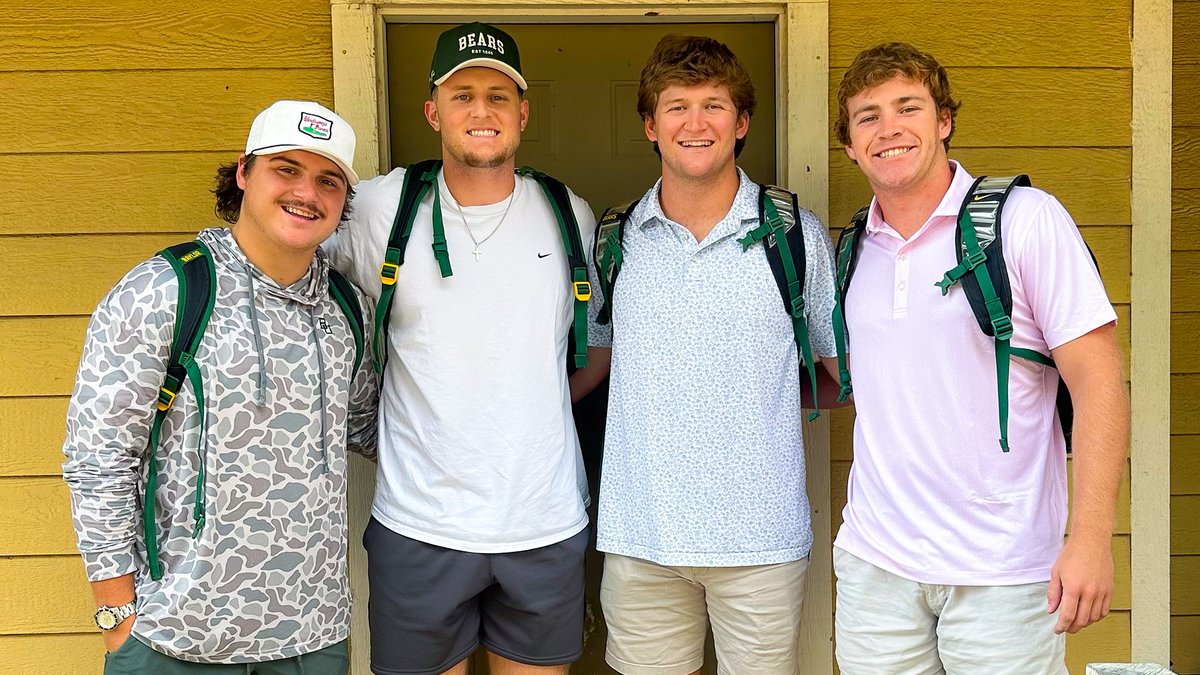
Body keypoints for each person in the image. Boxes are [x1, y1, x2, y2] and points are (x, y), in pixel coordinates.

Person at [831, 42, 1129, 674]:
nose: (889, 129)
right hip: (877, 566)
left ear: (943, 121)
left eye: (907, 107)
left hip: (1005, 571)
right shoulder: (856, 246)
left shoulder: (1027, 221)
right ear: (851, 146)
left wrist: (1091, 539)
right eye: (868, 116)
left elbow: (1099, 381)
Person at [323, 22, 602, 675]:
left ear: (524, 112)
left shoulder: (568, 213)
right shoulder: (379, 208)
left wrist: (526, 409)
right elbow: (291, 269)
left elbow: (595, 348)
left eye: (500, 95)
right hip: (419, 524)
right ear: (433, 111)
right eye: (463, 94)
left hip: (543, 520)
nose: (482, 109)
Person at [62, 99, 379, 674]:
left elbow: (370, 429)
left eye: (328, 180)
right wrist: (117, 619)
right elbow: (98, 456)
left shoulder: (346, 310)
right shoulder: (166, 289)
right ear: (243, 172)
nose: (307, 193)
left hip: (312, 636)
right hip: (173, 638)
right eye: (286, 169)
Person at [585, 35, 840, 675]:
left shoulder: (794, 236)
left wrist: (763, 394)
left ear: (741, 121)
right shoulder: (615, 241)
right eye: (676, 107)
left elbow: (840, 373)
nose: (694, 123)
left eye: (714, 105)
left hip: (760, 539)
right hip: (641, 534)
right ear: (650, 125)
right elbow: (598, 361)